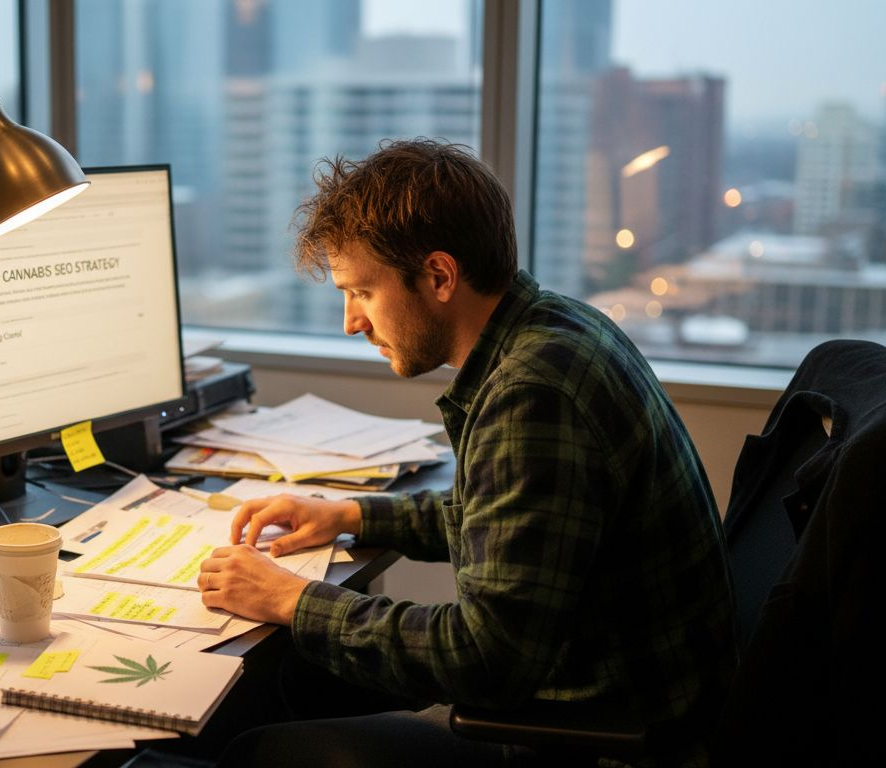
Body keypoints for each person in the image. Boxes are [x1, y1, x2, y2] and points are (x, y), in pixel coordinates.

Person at [196, 139, 737, 767]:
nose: (351, 322)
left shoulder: (531, 394)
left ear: (439, 276)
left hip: (599, 740)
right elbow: (501, 523)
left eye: (363, 293)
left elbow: (487, 659)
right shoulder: (556, 327)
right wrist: (351, 516)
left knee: (261, 751)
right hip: (623, 699)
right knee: (294, 676)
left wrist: (289, 599)